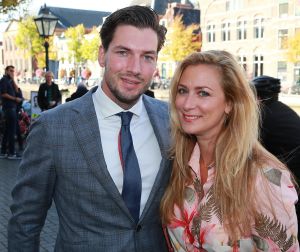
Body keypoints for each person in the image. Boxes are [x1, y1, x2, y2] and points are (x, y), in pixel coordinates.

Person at [8, 5, 171, 252]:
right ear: (101, 54)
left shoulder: (171, 119)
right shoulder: (53, 128)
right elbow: (25, 221)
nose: (135, 69)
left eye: (147, 56)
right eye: (123, 52)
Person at [160, 50, 299, 251]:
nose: (187, 104)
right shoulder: (180, 163)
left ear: (230, 103)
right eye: (182, 91)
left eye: (203, 93)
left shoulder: (264, 177)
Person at [252, 75, 300, 240]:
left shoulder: (263, 114)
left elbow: (251, 149)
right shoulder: (281, 109)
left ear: (257, 97)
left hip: (294, 169)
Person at [0, 65, 22, 160]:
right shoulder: (4, 80)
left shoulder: (10, 81)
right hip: (9, 108)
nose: (12, 72)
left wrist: (13, 79)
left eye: (13, 71)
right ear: (6, 71)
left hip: (12, 108)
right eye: (10, 70)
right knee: (12, 131)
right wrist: (15, 99)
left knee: (7, 131)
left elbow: (17, 91)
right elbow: (3, 94)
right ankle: (12, 153)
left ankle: (3, 152)